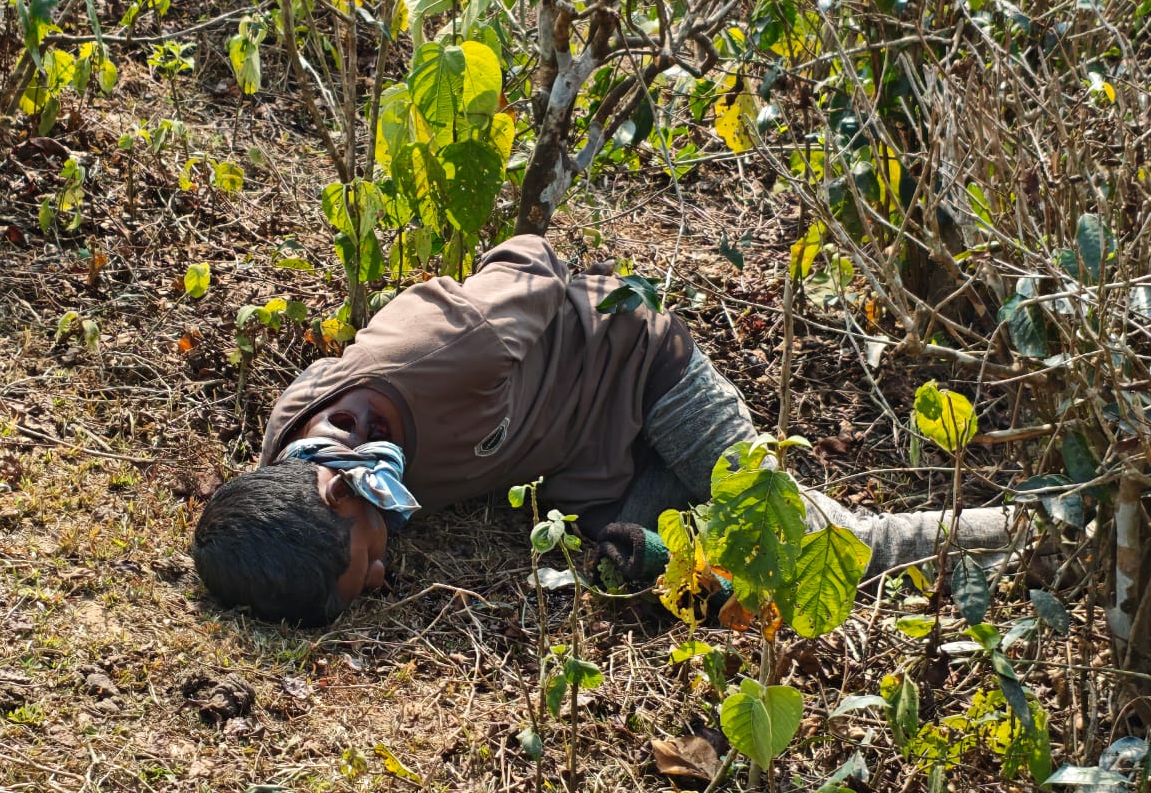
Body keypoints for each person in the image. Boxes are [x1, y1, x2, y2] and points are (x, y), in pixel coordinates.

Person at [192, 235, 1012, 626]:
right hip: (591, 479)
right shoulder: (293, 463)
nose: (379, 579)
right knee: (671, 577)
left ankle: (1012, 532)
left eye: (364, 562)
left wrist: (589, 344)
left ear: (340, 496)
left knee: (806, 544)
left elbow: (529, 258)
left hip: (647, 379)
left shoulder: (451, 347)